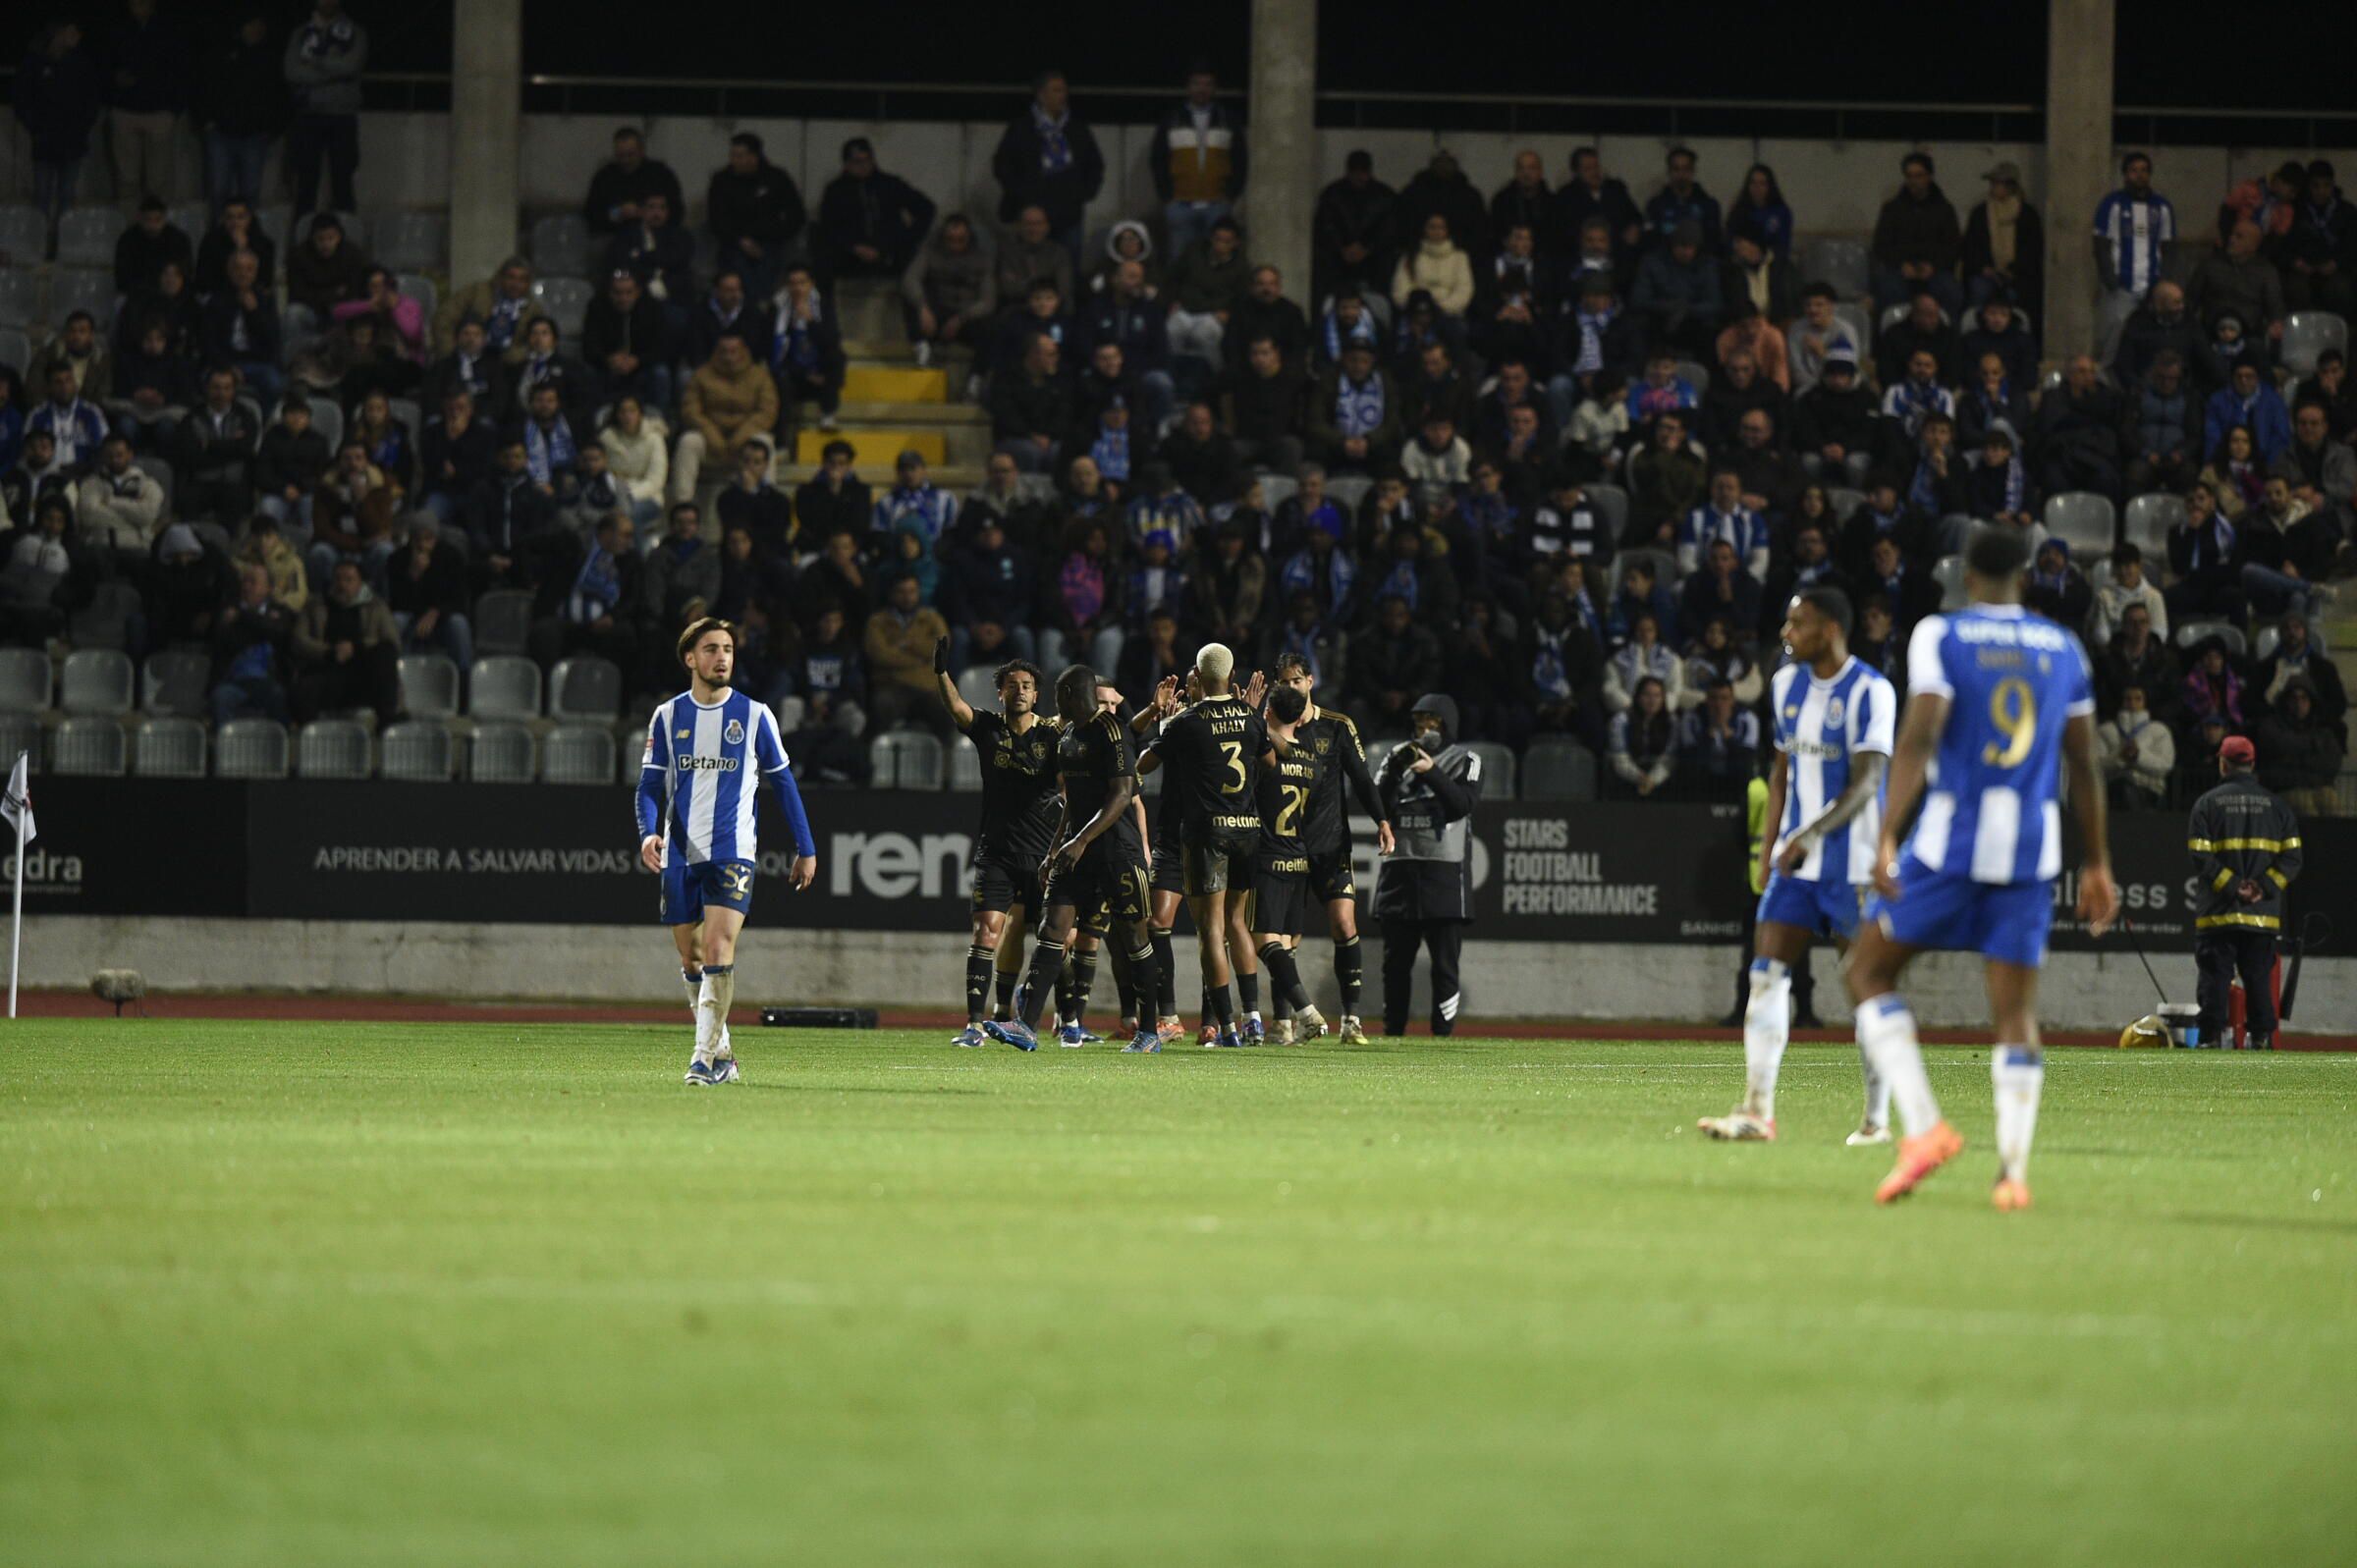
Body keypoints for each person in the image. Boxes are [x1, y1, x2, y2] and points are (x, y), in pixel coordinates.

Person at [1845, 528, 2118, 1211]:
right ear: (2025, 577)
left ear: (1968, 576)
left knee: (1866, 971)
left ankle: (1926, 1128)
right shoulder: (2065, 648)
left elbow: (1921, 733)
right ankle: (2012, 1176)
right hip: (2031, 852)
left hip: (1951, 844)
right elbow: (2083, 762)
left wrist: (1884, 833)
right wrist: (2098, 862)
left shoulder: (1942, 635)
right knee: (2016, 1014)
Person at [1698, 588, 1897, 1143]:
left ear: (1831, 628)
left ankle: (1876, 1122)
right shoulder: (1785, 685)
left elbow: (1868, 784)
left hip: (1852, 865)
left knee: (1865, 986)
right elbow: (1782, 771)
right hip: (1794, 863)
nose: (1786, 634)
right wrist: (1770, 846)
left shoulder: (1870, 692)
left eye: (1797, 624)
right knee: (1765, 977)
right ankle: (1757, 1110)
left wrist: (1808, 835)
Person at [636, 618, 819, 1085]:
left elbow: (783, 783)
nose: (722, 658)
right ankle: (723, 1052)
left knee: (718, 947)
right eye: (712, 649)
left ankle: (701, 1059)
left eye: (729, 650)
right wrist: (647, 832)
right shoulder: (668, 715)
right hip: (680, 852)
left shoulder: (755, 715)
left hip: (733, 851)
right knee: (690, 957)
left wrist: (806, 846)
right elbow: (650, 786)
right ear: (691, 659)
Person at [981, 665, 1162, 1054]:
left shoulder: (1111, 732)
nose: (1055, 700)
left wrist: (1079, 841)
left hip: (1118, 852)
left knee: (1134, 939)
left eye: (1060, 693)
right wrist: (1054, 849)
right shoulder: (1067, 737)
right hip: (1076, 851)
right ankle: (1026, 1026)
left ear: (1073, 694)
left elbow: (1120, 797)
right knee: (1052, 928)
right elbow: (1074, 802)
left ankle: (1149, 1030)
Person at [1135, 644, 1269, 1047]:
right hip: (1247, 828)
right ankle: (1255, 1019)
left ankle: (1226, 1026)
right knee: (1237, 923)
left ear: (1197, 672)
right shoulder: (1250, 716)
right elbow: (1271, 763)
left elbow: (1142, 765)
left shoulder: (1186, 721)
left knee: (1210, 927)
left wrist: (1167, 726)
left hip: (1206, 832)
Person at [933, 646, 1062, 1046]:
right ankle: (974, 1024)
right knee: (986, 933)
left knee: (1060, 939)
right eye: (1012, 686)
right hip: (998, 852)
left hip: (1044, 857)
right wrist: (941, 672)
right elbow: (956, 708)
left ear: (1036, 695)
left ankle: (1054, 1016)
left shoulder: (1053, 733)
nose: (1020, 691)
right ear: (1000, 693)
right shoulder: (988, 727)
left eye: (1026, 686)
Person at [1271, 651, 1394, 1046]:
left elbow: (1361, 778)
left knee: (1344, 924)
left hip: (1330, 845)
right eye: (1284, 682)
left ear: (1310, 681)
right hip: (1288, 847)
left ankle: (1351, 1021)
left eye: (1296, 681)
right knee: (1286, 939)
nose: (1291, 687)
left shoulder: (1337, 727)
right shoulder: (1272, 726)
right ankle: (1284, 1022)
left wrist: (1382, 821)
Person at [1370, 693, 1480, 1037]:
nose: (1422, 729)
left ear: (1446, 724)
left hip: (1444, 872)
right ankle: (1393, 1032)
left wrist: (1431, 771)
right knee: (1395, 965)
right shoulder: (1397, 756)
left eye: (1430, 722)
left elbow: (1462, 804)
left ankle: (1443, 1033)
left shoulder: (1466, 760)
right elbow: (1376, 804)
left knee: (1444, 965)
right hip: (1400, 869)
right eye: (1418, 723)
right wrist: (1392, 772)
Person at [2187, 735, 2300, 1050]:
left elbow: (2200, 855)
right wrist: (2260, 888)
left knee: (2215, 977)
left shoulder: (2207, 804)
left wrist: (2233, 885)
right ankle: (2261, 1038)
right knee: (2259, 978)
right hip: (2261, 916)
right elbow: (2293, 859)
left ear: (2222, 763)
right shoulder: (2279, 808)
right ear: (2252, 764)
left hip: (2218, 913)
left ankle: (2210, 1038)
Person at [991, 72, 1104, 269]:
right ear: (1041, 95)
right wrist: (1023, 197)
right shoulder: (1022, 128)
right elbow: (1003, 165)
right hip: (1032, 214)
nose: (1062, 96)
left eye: (1064, 90)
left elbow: (1094, 164)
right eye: (1056, 90)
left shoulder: (1076, 129)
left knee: (1068, 266)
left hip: (1068, 214)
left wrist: (1083, 193)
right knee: (1028, 267)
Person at [15, 22, 103, 242]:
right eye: (71, 32)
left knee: (66, 196)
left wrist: (82, 128)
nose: (76, 37)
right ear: (58, 34)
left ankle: (63, 241)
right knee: (42, 196)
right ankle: (39, 240)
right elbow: (22, 99)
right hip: (44, 141)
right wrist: (35, 127)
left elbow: (91, 100)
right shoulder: (35, 63)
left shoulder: (82, 64)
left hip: (72, 141)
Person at [1149, 65, 1244, 260]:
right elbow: (1158, 159)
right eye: (1197, 84)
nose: (1202, 89)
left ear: (1214, 88)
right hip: (1180, 203)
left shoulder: (1227, 119)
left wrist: (1231, 194)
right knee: (1180, 258)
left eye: (1207, 84)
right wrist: (1167, 196)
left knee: (1217, 258)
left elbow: (1240, 160)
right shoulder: (1172, 118)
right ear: (1188, 87)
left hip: (1217, 203)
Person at [282, 0, 363, 217]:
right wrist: (332, 67)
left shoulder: (355, 32)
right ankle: (301, 242)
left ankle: (344, 240)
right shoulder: (300, 34)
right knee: (306, 183)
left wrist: (315, 61)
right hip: (308, 115)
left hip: (342, 115)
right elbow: (292, 72)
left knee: (343, 183)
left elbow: (351, 66)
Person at [196, 12, 284, 214]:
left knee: (250, 192)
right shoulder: (221, 54)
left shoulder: (270, 58)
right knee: (218, 190)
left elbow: (280, 97)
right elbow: (204, 87)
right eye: (251, 24)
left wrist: (272, 129)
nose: (255, 29)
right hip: (220, 134)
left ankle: (247, 239)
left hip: (254, 136)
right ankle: (219, 238)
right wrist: (206, 121)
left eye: (259, 24)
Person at [816, 136, 936, 284]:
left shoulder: (890, 185)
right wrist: (853, 246)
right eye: (857, 162)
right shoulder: (836, 191)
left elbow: (926, 209)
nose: (863, 166)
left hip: (890, 254)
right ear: (847, 164)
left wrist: (906, 240)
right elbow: (828, 226)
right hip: (849, 256)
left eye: (867, 160)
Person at [705, 131, 804, 300]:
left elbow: (795, 215)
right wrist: (740, 240)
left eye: (740, 156)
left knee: (767, 267)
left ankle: (760, 308)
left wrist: (772, 236)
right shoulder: (722, 180)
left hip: (769, 244)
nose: (734, 160)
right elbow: (717, 218)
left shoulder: (775, 178)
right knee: (736, 266)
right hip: (734, 243)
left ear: (754, 157)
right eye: (733, 155)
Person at [2094, 152, 2174, 359]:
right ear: (2125, 174)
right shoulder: (2112, 204)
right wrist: (2110, 280)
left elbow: (2168, 247)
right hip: (2122, 285)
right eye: (2134, 170)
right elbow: (2101, 245)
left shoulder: (2162, 206)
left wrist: (2164, 281)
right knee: (2115, 335)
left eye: (2144, 170)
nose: (2140, 175)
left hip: (2152, 285)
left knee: (2153, 336)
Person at [1871, 153, 1963, 315]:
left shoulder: (1944, 209)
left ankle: (1947, 338)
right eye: (1909, 176)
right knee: (1889, 289)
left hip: (1935, 270)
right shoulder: (1892, 209)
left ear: (1929, 177)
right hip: (1900, 269)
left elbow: (1953, 247)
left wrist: (1933, 266)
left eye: (1919, 176)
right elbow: (1881, 245)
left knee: (1950, 290)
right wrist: (1901, 264)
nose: (1913, 181)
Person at [584, 126, 685, 238]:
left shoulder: (660, 174)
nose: (625, 160)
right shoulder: (604, 177)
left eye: (630, 155)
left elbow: (676, 210)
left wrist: (645, 212)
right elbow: (591, 212)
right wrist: (618, 213)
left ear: (641, 151)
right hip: (614, 236)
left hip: (656, 234)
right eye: (621, 155)